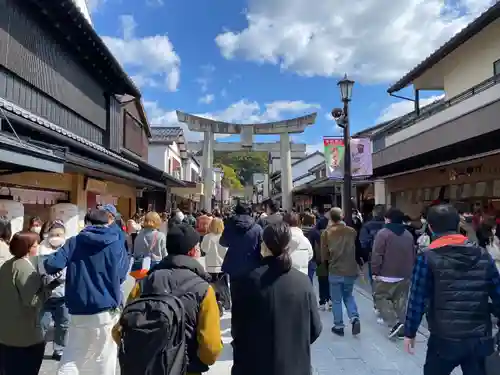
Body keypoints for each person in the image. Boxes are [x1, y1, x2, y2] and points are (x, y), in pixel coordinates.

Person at [404, 204, 500, 375]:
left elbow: (417, 299)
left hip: (443, 338)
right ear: (458, 225)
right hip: (479, 337)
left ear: (431, 227)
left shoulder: (426, 257)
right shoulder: (482, 254)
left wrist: (410, 332)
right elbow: (498, 293)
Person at [115, 223, 223, 375]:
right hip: (185, 368)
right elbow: (211, 348)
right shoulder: (204, 290)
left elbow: (119, 331)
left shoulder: (145, 283)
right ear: (192, 251)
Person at [44, 209, 130, 375]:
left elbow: (52, 264)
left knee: (72, 355)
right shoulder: (116, 242)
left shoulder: (74, 242)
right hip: (106, 308)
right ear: (108, 223)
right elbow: (121, 274)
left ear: (86, 223)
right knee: (105, 357)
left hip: (78, 308)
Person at [231, 222, 322, 375]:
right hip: (295, 365)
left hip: (253, 365)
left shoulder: (245, 281)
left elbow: (238, 329)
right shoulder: (303, 282)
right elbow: (315, 328)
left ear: (264, 245)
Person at [0, 231, 62, 375]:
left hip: (6, 334)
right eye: (35, 245)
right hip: (25, 337)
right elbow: (33, 301)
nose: (38, 246)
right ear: (27, 248)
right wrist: (50, 287)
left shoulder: (7, 265)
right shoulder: (25, 268)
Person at [371, 207, 416, 339]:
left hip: (386, 273)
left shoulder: (383, 233)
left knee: (380, 298)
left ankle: (394, 323)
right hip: (404, 274)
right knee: (400, 301)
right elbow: (413, 254)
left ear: (388, 219)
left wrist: (375, 270)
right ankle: (402, 327)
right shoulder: (408, 235)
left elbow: (377, 254)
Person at [321, 207, 361, 336]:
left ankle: (339, 325)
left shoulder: (326, 233)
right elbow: (358, 249)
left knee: (336, 299)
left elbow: (324, 255)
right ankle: (354, 318)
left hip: (335, 269)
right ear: (342, 216)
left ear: (330, 218)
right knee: (348, 295)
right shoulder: (351, 231)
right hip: (350, 268)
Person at [38, 220, 69, 360]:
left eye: (59, 234)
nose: (56, 236)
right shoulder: (41, 249)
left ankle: (59, 349)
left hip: (63, 296)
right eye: (53, 233)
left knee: (63, 325)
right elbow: (39, 271)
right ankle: (37, 348)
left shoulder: (68, 248)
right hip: (45, 296)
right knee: (42, 325)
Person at [201, 217, 230, 312]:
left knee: (212, 286)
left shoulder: (207, 237)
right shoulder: (224, 237)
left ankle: (216, 302)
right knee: (224, 286)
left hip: (210, 265)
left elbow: (204, 250)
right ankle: (226, 302)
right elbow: (226, 252)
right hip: (222, 265)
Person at [131, 211, 168, 279]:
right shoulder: (160, 236)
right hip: (155, 267)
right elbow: (164, 255)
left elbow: (135, 252)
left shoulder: (139, 235)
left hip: (140, 267)